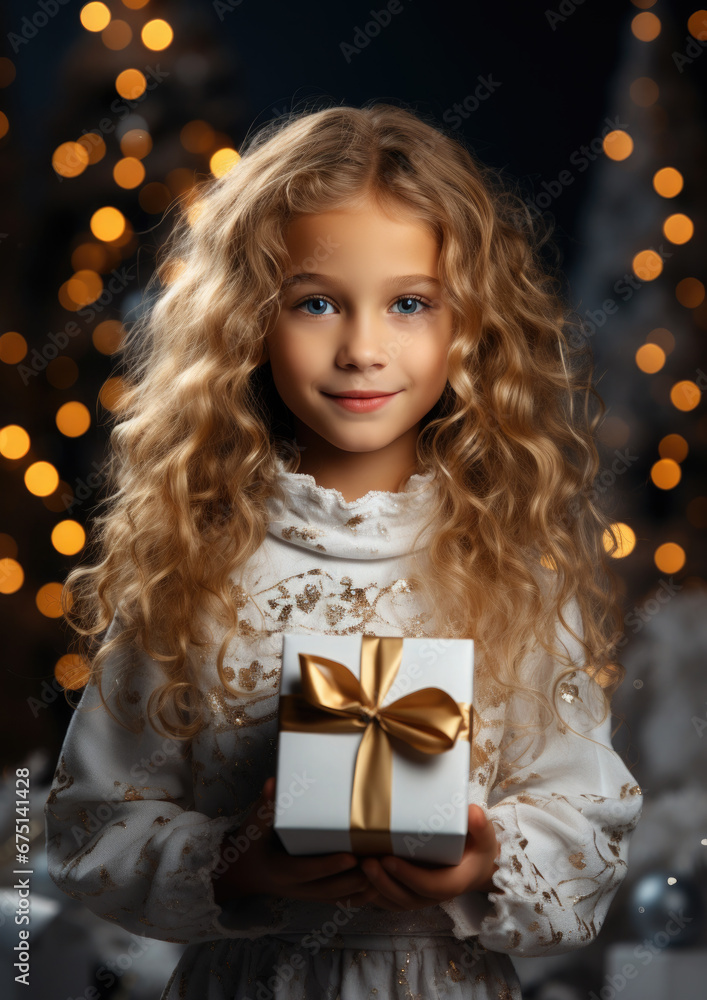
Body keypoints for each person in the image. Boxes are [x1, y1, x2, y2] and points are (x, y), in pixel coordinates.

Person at [44, 101, 643, 1000]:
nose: (363, 349)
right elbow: (89, 828)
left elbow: (588, 819)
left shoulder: (509, 569)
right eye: (317, 302)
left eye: (409, 303)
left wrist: (482, 860)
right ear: (248, 320)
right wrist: (235, 864)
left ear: (468, 326)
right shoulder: (192, 567)